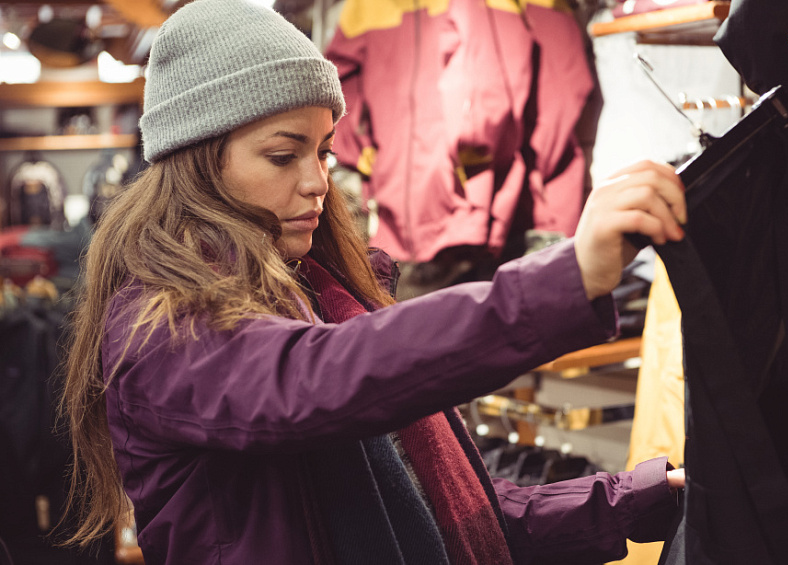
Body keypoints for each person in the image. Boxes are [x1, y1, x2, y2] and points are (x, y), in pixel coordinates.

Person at [59, 1, 688, 563]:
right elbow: (313, 380)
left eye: (324, 151)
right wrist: (565, 278)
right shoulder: (160, 324)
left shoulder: (327, 297)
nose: (316, 181)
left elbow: (454, 516)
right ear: (198, 164)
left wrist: (633, 499)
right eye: (284, 155)